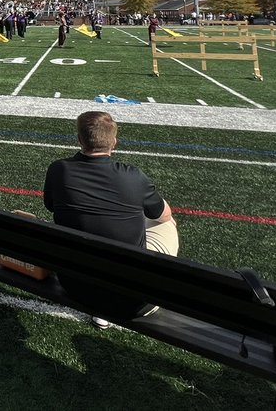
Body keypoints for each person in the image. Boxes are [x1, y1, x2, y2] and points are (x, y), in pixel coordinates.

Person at [44, 110, 179, 326]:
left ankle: (101, 309)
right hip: (134, 300)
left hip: (75, 286)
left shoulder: (58, 170)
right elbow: (164, 215)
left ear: (79, 140)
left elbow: (50, 206)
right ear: (114, 142)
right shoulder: (133, 176)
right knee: (166, 222)